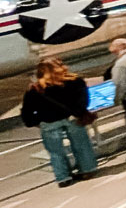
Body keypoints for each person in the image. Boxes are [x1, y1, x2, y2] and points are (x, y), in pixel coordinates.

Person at [22, 57, 98, 186]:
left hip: (49, 122)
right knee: (82, 145)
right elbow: (84, 101)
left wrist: (35, 121)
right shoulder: (75, 81)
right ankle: (87, 170)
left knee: (55, 152)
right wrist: (78, 113)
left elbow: (27, 110)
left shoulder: (35, 89)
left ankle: (63, 178)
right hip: (72, 118)